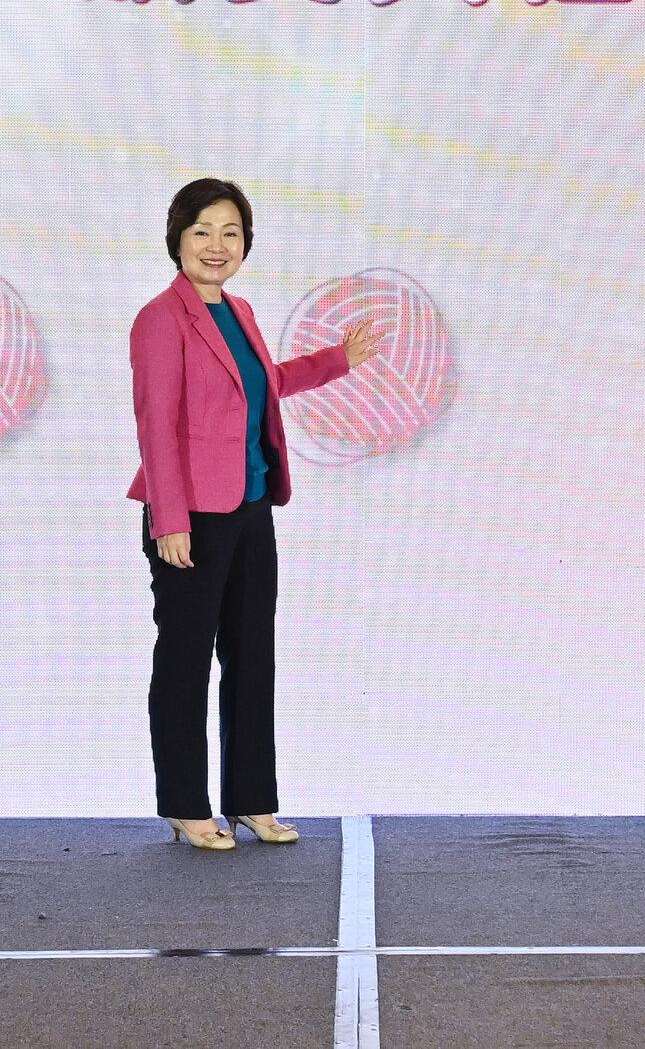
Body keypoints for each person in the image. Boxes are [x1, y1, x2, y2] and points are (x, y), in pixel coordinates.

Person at [129, 179, 382, 850]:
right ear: (176, 237)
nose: (217, 246)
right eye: (203, 231)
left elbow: (264, 383)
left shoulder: (237, 311)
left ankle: (251, 800)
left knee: (251, 658)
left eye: (230, 233)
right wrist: (169, 521)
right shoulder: (160, 318)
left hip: (249, 505)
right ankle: (186, 805)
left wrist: (337, 362)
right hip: (190, 514)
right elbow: (156, 425)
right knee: (185, 661)